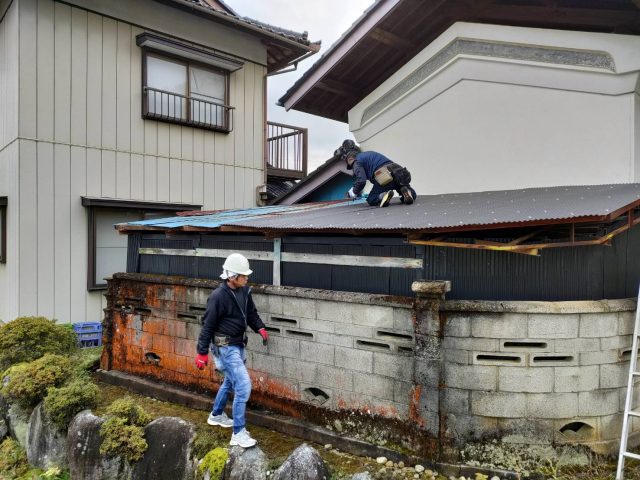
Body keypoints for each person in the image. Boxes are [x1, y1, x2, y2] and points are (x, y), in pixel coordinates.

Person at [194, 253, 269, 448]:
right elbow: (207, 325)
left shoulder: (244, 291)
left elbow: (251, 313)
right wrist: (202, 353)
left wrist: (260, 328)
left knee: (230, 382)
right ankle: (238, 432)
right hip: (225, 348)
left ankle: (216, 415)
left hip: (238, 345)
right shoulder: (218, 297)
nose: (247, 278)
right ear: (232, 276)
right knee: (243, 386)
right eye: (243, 275)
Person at [334, 139, 417, 207]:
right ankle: (406, 191)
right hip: (399, 172)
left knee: (371, 199)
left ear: (349, 158)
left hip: (385, 176)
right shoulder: (368, 154)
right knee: (409, 192)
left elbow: (361, 180)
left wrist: (353, 192)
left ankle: (383, 196)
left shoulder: (357, 162)